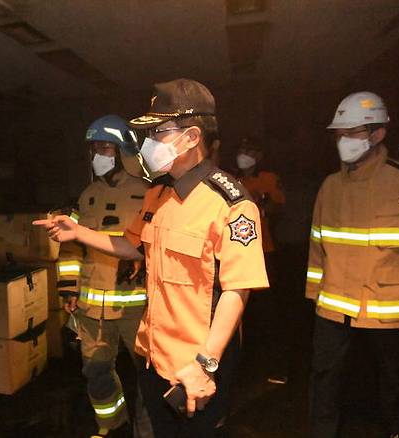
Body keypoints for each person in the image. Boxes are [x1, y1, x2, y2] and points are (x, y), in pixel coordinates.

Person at [36, 79, 269, 437]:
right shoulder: (158, 195)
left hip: (194, 367)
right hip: (153, 357)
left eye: (159, 131)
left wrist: (206, 364)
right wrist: (77, 232)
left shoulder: (231, 204)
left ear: (191, 137)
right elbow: (134, 247)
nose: (149, 143)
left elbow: (237, 292)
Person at [305, 91, 399, 438]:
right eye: (339, 133)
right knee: (325, 381)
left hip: (389, 311)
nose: (344, 141)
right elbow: (318, 246)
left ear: (378, 134)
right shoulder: (329, 187)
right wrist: (314, 293)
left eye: (354, 132)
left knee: (395, 385)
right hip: (333, 308)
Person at [55, 115, 152, 438]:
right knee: (96, 372)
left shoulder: (148, 194)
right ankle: (111, 426)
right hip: (91, 308)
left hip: (136, 307)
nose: (98, 154)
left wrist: (144, 261)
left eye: (106, 147)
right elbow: (70, 247)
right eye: (94, 148)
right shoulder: (86, 196)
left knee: (149, 375)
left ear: (124, 151)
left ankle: (148, 430)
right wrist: (68, 289)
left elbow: (160, 244)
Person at [234, 137, 288, 384]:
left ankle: (274, 366)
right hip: (236, 254)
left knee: (267, 312)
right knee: (239, 311)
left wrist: (262, 202)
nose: (244, 155)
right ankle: (242, 364)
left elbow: (279, 207)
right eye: (241, 150)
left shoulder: (267, 178)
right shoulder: (232, 179)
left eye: (250, 151)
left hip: (264, 252)